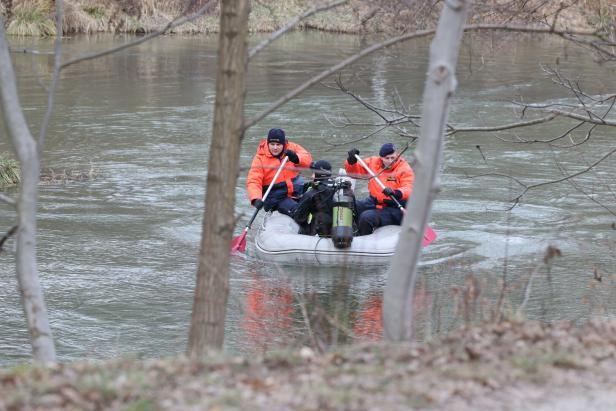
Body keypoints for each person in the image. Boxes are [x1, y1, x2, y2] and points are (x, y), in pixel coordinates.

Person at [344, 143, 414, 235]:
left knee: (366, 217)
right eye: (387, 158)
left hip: (395, 206)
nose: (390, 161)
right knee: (349, 205)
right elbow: (353, 172)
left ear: (397, 156)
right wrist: (351, 162)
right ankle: (352, 232)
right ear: (381, 158)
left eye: (393, 158)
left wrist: (396, 192)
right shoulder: (373, 162)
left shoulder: (404, 168)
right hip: (374, 201)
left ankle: (364, 241)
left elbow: (409, 187)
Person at [246, 128, 312, 217]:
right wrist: (255, 199)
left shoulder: (292, 148)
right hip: (276, 198)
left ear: (284, 144)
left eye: (278, 144)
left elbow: (307, 159)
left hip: (296, 192)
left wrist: (297, 158)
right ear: (268, 143)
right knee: (299, 212)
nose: (275, 148)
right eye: (272, 144)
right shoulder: (259, 159)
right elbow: (253, 181)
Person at [293, 160, 336, 236]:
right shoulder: (340, 188)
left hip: (319, 233)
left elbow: (299, 217)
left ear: (318, 174)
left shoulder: (312, 193)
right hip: (339, 231)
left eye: (313, 173)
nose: (312, 176)